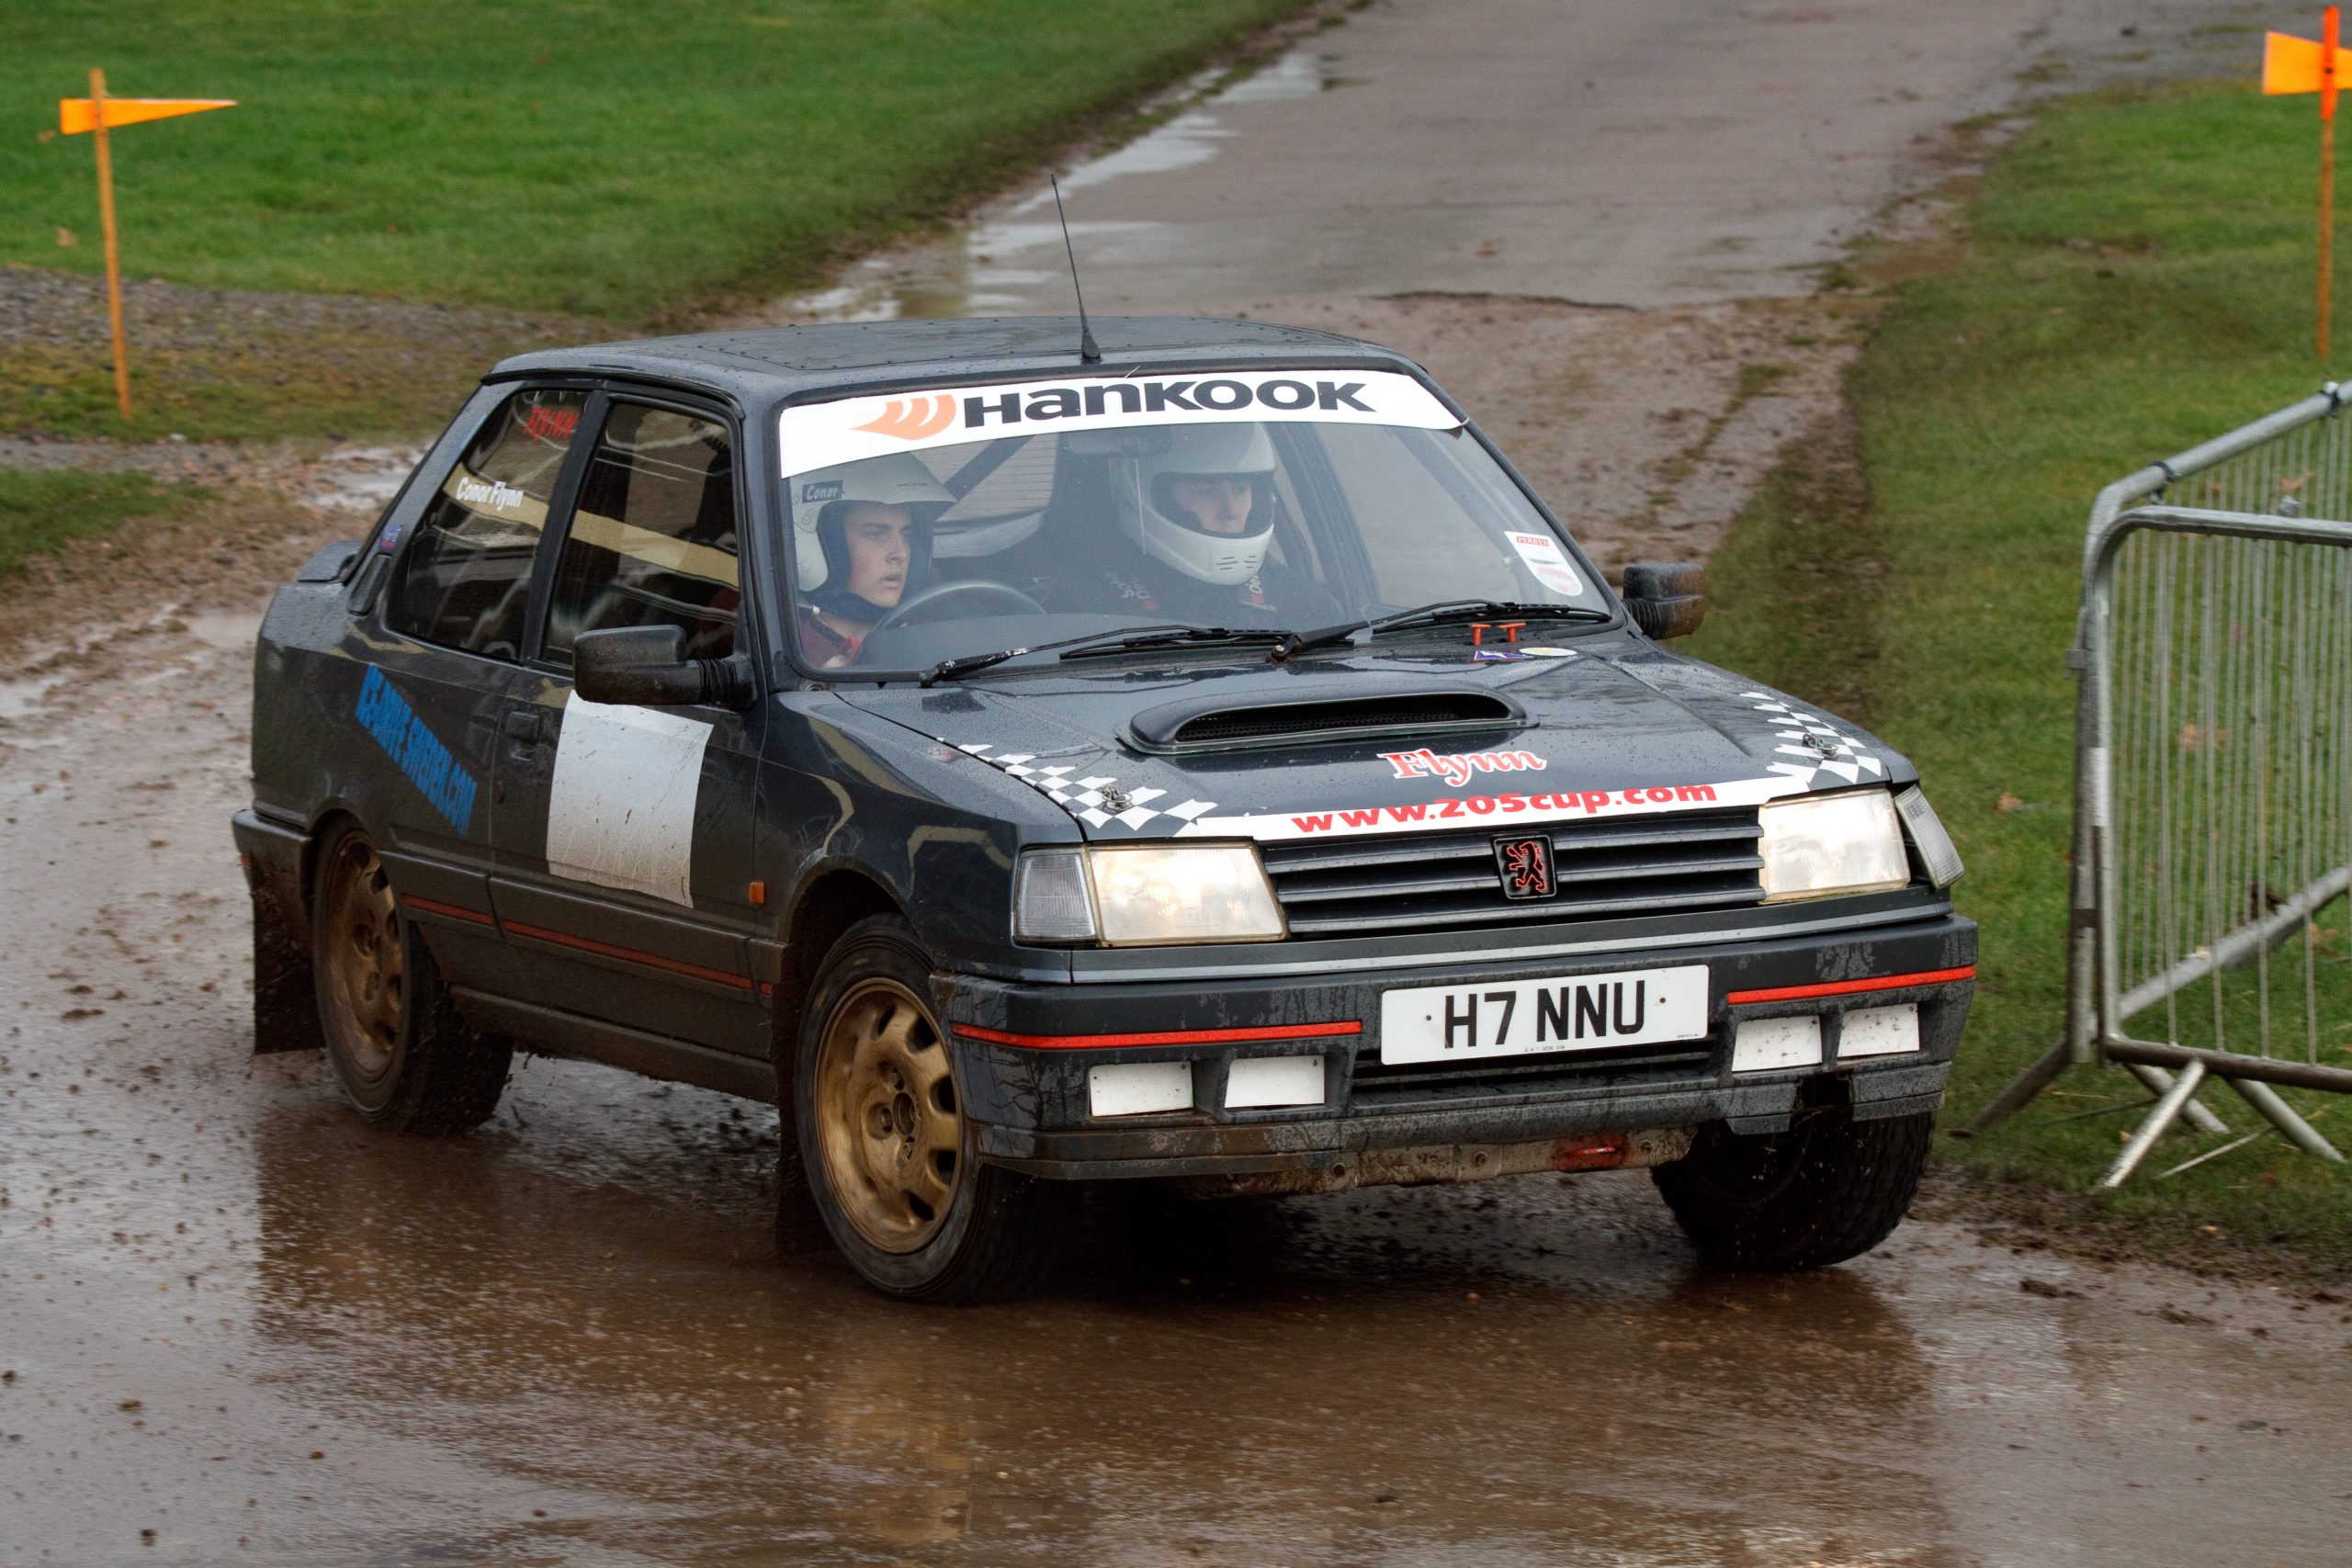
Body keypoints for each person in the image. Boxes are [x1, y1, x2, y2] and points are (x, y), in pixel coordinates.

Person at [1052, 423, 1342, 627]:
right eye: (1205, 489)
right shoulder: (1079, 606)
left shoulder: (1301, 603)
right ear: (1145, 494)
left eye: (1241, 489)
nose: (1230, 510)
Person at [790, 454, 953, 666]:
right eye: (876, 534)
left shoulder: (931, 635)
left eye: (907, 535)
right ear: (826, 544)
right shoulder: (797, 657)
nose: (901, 553)